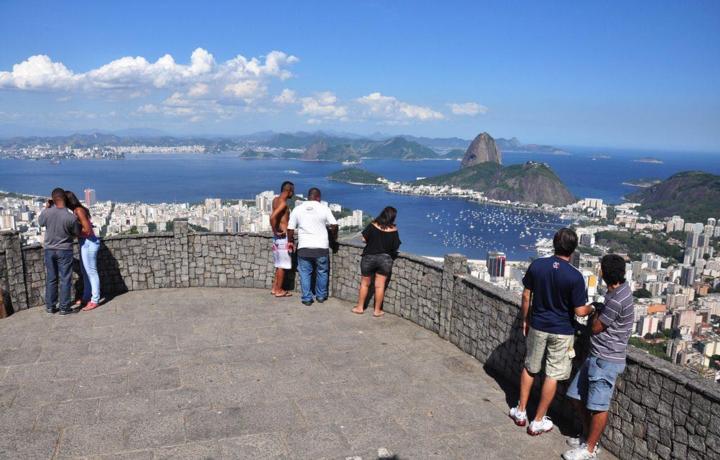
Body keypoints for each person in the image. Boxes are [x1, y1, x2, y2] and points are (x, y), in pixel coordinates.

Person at [509, 227, 593, 435]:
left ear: (554, 244)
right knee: (552, 375)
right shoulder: (575, 277)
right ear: (573, 250)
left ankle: (520, 411)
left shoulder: (537, 266)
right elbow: (580, 312)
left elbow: (526, 296)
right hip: (562, 331)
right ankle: (537, 421)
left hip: (538, 325)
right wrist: (594, 307)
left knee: (530, 367)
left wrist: (526, 320)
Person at [562, 255, 633, 460]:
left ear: (604, 273)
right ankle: (587, 437)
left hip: (606, 359)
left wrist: (594, 309)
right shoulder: (616, 292)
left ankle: (590, 449)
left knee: (598, 407)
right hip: (595, 356)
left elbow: (595, 327)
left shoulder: (617, 299)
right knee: (575, 396)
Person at [286, 187, 338, 306]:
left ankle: (307, 298)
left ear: (308, 196)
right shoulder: (324, 208)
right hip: (321, 247)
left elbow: (290, 229)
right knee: (322, 272)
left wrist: (290, 242)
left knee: (305, 273)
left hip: (304, 247)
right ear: (318, 197)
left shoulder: (298, 209)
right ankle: (320, 296)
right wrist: (334, 239)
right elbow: (334, 225)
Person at [351, 206, 401, 317]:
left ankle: (360, 307)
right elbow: (395, 247)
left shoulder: (373, 225)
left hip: (369, 257)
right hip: (385, 260)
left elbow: (364, 239)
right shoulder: (394, 230)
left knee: (365, 284)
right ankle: (377, 311)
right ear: (392, 217)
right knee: (380, 286)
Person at [38, 188, 78, 315]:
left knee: (51, 278)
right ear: (64, 199)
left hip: (49, 250)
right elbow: (76, 232)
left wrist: (47, 207)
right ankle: (64, 307)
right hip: (64, 250)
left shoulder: (47, 213)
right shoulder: (70, 217)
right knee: (65, 279)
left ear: (53, 199)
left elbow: (41, 222)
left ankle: (50, 306)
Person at [65, 191, 101, 311]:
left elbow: (88, 230)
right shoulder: (77, 210)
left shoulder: (79, 211)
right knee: (85, 272)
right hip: (85, 244)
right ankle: (86, 296)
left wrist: (75, 234)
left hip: (89, 244)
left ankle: (95, 299)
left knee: (91, 272)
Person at [269, 181, 295, 297]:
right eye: (292, 191)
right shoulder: (283, 204)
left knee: (279, 264)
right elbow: (273, 217)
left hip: (277, 239)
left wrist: (275, 231)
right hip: (282, 238)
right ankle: (279, 290)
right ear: (288, 190)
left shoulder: (275, 200)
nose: (293, 193)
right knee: (283, 266)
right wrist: (275, 230)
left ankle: (275, 288)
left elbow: (275, 217)